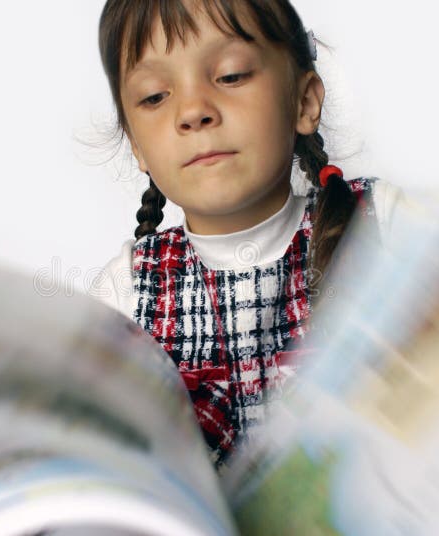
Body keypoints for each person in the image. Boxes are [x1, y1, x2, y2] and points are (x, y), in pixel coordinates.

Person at [89, 0, 403, 472]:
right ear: (137, 145)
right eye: (155, 96)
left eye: (231, 75)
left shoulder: (385, 225)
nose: (193, 111)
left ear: (304, 102)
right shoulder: (124, 294)